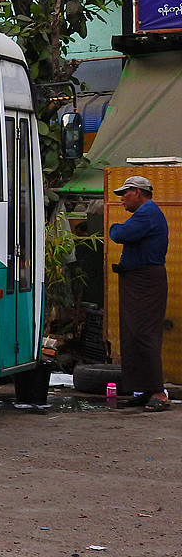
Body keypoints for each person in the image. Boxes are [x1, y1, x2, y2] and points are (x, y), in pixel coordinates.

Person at [108, 175, 171, 412]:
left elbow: (120, 234)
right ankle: (143, 389)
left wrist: (116, 227)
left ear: (138, 192)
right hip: (136, 280)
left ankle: (157, 391)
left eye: (125, 193)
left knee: (144, 334)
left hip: (145, 282)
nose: (122, 198)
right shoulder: (145, 214)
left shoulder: (147, 214)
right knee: (132, 334)